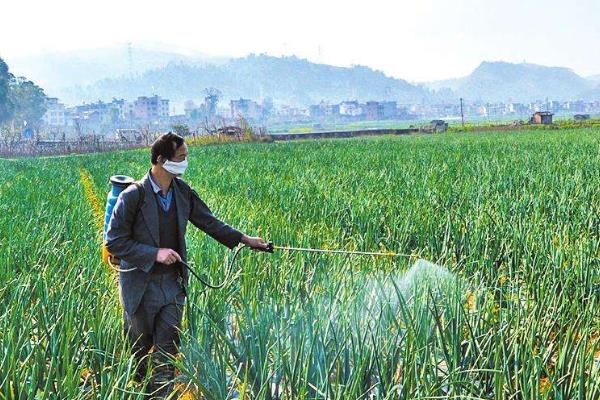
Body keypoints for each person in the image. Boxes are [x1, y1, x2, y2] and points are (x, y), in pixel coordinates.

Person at [106, 132, 268, 398]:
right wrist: (154, 253)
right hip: (140, 288)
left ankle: (163, 395)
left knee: (168, 350)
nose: (185, 162)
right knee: (140, 354)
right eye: (181, 157)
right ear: (161, 160)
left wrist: (244, 239)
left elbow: (209, 222)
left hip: (172, 285)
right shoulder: (134, 196)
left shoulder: (182, 192)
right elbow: (114, 241)